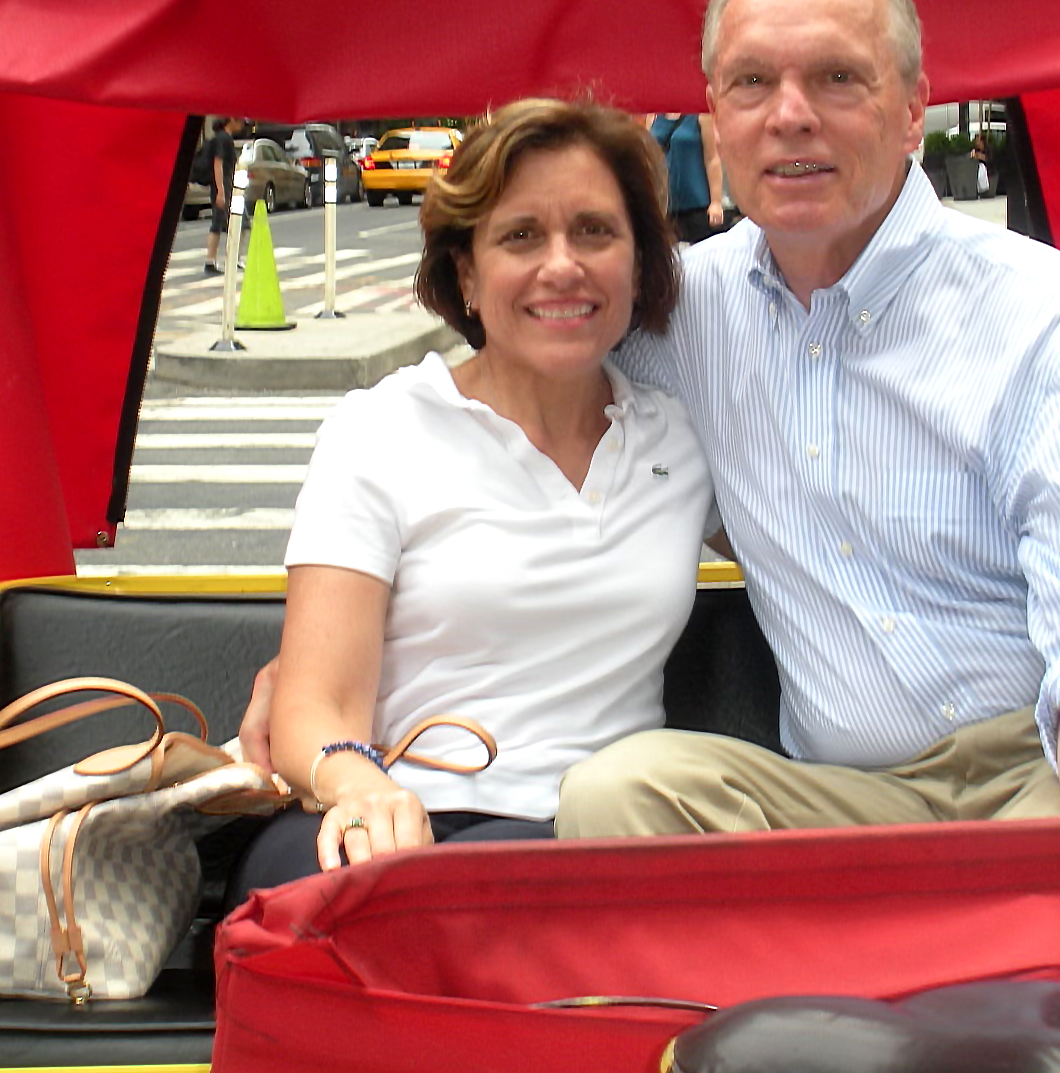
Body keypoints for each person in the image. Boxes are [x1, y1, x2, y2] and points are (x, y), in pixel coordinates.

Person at [554, 0, 1060, 837]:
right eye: (751, 84)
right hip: (852, 795)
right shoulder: (678, 313)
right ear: (714, 117)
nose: (790, 116)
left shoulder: (1037, 310)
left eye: (837, 79)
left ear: (911, 112)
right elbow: (522, 387)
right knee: (617, 797)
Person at [226, 99, 713, 899]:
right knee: (347, 897)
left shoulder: (681, 441)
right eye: (521, 236)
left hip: (606, 833)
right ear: (467, 274)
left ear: (639, 263)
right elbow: (314, 701)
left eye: (595, 231)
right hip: (412, 824)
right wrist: (360, 787)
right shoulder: (381, 429)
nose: (564, 265)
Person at [649, 113, 725, 244]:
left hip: (697, 205)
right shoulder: (655, 117)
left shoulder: (701, 116)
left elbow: (712, 159)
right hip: (666, 208)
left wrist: (716, 202)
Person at [203, 116, 245, 276]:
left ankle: (223, 259)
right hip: (223, 187)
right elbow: (218, 164)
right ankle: (215, 260)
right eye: (240, 121)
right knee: (235, 222)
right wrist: (221, 191)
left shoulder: (222, 138)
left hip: (225, 186)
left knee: (224, 221)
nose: (241, 126)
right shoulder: (223, 139)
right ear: (232, 120)